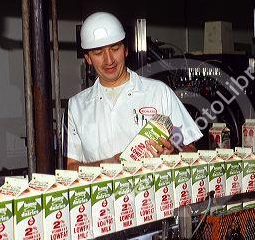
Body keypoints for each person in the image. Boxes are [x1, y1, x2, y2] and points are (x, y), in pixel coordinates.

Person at [66, 12, 202, 170]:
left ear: (125, 50)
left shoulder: (159, 93)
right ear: (88, 58)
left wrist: (171, 156)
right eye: (98, 53)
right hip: (104, 194)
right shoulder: (76, 106)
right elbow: (71, 167)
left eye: (115, 49)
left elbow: (191, 151)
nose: (109, 60)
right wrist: (111, 163)